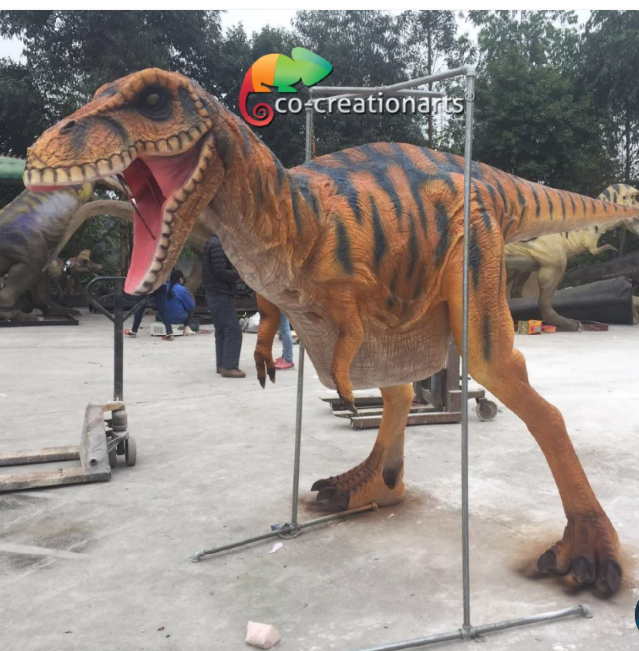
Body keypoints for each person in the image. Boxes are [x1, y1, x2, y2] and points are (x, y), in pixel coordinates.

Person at [202, 234, 245, 378]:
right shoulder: (218, 245)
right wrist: (240, 274)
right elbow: (221, 272)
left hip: (214, 293)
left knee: (221, 331)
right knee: (233, 331)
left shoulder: (212, 242)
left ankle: (221, 364)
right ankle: (229, 366)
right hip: (220, 294)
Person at [163, 269, 195, 338]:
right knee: (192, 303)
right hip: (178, 318)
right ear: (180, 279)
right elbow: (191, 306)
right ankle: (187, 327)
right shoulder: (182, 289)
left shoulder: (164, 288)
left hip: (164, 318)